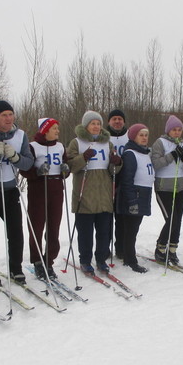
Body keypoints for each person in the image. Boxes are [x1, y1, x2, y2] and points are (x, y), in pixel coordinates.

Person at [0, 100, 34, 286]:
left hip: (10, 188)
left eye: (11, 114)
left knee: (16, 231)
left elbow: (28, 163)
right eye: (4, 115)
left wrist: (15, 157)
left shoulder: (20, 135)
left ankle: (15, 268)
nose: (9, 118)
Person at [66, 110, 121, 274]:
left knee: (104, 231)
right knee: (86, 232)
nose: (96, 126)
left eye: (98, 124)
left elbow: (113, 170)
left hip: (104, 194)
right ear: (86, 126)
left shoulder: (108, 143)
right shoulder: (76, 142)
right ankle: (85, 260)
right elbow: (70, 166)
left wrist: (117, 163)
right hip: (85, 194)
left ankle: (101, 259)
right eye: (93, 123)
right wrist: (83, 158)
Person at [21, 118, 70, 280]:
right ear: (45, 130)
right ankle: (37, 261)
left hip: (56, 189)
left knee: (54, 227)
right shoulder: (32, 147)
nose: (57, 131)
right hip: (38, 190)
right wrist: (37, 172)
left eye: (58, 128)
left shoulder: (60, 146)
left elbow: (65, 164)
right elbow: (24, 170)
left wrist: (65, 170)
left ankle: (48, 260)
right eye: (54, 128)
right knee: (36, 227)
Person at [151, 114, 183, 265]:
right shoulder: (160, 143)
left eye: (179, 130)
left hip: (181, 186)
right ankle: (161, 247)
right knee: (171, 218)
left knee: (178, 219)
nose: (177, 132)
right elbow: (155, 163)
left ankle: (172, 249)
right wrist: (172, 155)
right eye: (174, 129)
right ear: (168, 130)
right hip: (164, 187)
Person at [116, 123, 154, 273]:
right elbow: (127, 179)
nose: (144, 138)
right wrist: (132, 200)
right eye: (141, 135)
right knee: (130, 230)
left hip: (143, 195)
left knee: (133, 229)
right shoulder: (130, 153)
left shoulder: (144, 153)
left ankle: (128, 255)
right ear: (133, 136)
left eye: (146, 135)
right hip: (134, 196)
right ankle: (131, 260)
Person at [106, 109, 128, 259]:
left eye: (120, 119)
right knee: (106, 218)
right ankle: (104, 248)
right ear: (109, 121)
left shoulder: (129, 135)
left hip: (125, 179)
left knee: (122, 217)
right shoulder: (104, 136)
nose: (117, 121)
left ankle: (121, 248)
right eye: (114, 119)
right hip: (107, 179)